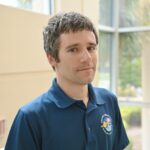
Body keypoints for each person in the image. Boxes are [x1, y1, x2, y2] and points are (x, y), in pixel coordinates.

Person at [5, 12, 129, 150]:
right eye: (74, 50)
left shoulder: (109, 100)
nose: (87, 58)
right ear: (51, 58)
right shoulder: (30, 118)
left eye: (91, 48)